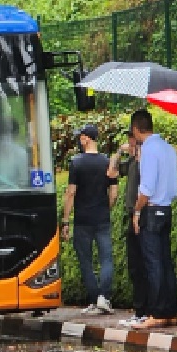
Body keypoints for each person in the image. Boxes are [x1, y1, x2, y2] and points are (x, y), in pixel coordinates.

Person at [129, 109, 177, 330]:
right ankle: (170, 312)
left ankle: (157, 312)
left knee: (153, 263)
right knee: (165, 261)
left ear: (135, 129)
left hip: (151, 211)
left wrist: (137, 211)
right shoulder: (168, 148)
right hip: (166, 209)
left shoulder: (149, 150)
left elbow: (146, 188)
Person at [61, 123, 118, 315]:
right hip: (102, 218)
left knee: (85, 261)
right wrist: (106, 207)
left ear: (86, 138)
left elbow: (71, 193)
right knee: (106, 259)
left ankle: (95, 299)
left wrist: (65, 220)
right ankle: (104, 297)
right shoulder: (107, 161)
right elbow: (114, 192)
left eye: (80, 136)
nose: (79, 140)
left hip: (82, 220)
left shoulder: (76, 162)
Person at [109, 128, 149, 328]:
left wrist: (138, 212)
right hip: (130, 215)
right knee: (134, 266)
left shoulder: (144, 163)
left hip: (140, 215)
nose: (129, 142)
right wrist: (118, 152)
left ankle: (144, 310)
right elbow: (111, 172)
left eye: (132, 139)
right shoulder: (132, 162)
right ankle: (140, 309)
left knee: (142, 265)